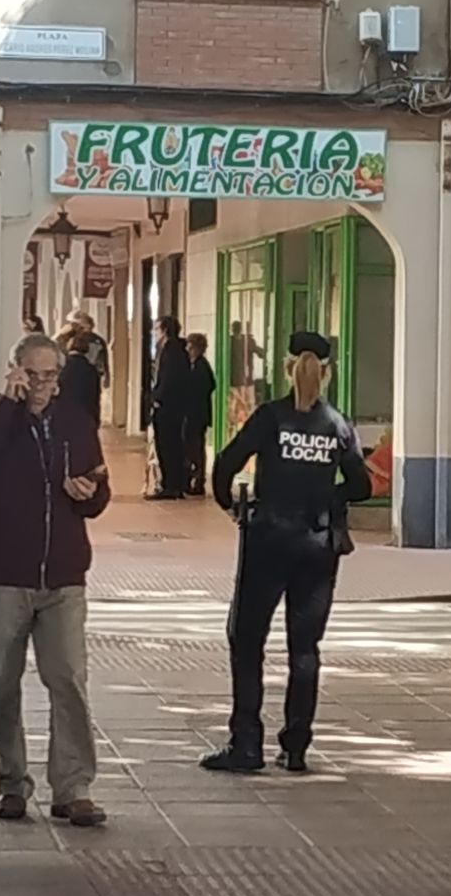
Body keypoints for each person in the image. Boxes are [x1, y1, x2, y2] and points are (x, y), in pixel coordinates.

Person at [0, 332, 112, 828]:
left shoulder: (74, 421)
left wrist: (88, 493)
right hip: (4, 573)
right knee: (2, 684)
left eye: (51, 376)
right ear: (15, 371)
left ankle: (73, 786)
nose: (43, 386)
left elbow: (98, 489)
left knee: (67, 678)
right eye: (34, 375)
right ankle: (11, 783)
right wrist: (8, 405)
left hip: (63, 573)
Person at [201, 331, 372, 775]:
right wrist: (329, 497)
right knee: (304, 647)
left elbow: (226, 463)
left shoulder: (270, 417)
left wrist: (229, 503)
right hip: (318, 547)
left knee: (247, 639)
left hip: (268, 540)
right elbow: (362, 486)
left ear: (286, 367)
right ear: (328, 371)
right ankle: (296, 747)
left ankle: (247, 745)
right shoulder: (338, 424)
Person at [148, 316, 192, 501]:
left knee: (167, 444)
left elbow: (168, 379)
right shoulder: (176, 349)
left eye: (157, 328)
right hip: (175, 405)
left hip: (169, 406)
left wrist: (157, 398)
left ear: (165, 330)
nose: (154, 332)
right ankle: (175, 483)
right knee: (172, 444)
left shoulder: (171, 350)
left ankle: (171, 485)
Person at [185, 332, 217, 495]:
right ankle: (195, 478)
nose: (188, 349)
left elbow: (206, 386)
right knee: (194, 446)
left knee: (196, 446)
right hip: (197, 413)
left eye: (191, 346)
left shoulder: (200, 366)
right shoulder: (197, 364)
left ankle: (198, 480)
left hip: (196, 414)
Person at [56, 324, 103, 427]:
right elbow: (95, 397)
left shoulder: (62, 368)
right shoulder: (91, 370)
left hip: (65, 417)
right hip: (87, 418)